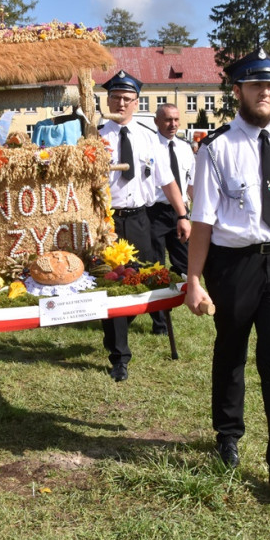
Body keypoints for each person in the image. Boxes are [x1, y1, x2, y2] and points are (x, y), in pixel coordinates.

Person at [184, 48, 270, 491]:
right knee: (231, 350)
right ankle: (228, 434)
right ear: (238, 90)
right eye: (256, 85)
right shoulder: (216, 149)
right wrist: (193, 280)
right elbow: (202, 221)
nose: (265, 93)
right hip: (234, 264)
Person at [98, 70, 190, 381]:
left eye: (127, 99)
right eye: (115, 98)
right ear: (107, 100)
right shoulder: (95, 138)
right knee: (111, 286)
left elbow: (167, 180)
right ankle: (119, 356)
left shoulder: (149, 138)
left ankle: (159, 323)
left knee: (146, 275)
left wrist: (182, 214)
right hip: (106, 222)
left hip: (140, 219)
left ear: (137, 103)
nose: (121, 103)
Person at [146, 103, 194, 335]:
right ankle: (160, 322)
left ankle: (181, 295)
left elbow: (190, 182)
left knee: (186, 263)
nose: (173, 124)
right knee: (155, 267)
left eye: (176, 119)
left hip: (179, 212)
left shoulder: (185, 148)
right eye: (167, 120)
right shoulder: (147, 147)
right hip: (154, 212)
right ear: (156, 121)